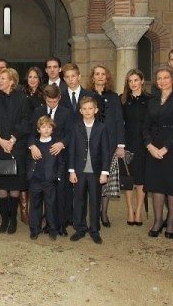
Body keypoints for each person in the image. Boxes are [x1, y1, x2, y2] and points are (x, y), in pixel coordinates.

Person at [142, 67, 173, 239]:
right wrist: (149, 145)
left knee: (172, 187)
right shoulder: (152, 101)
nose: (162, 81)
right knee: (156, 186)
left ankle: (170, 222)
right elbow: (145, 126)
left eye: (166, 77)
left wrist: (166, 148)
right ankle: (157, 221)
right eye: (159, 78)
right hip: (153, 148)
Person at [0, 68, 31, 234]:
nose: (0, 80)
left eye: (4, 78)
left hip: (16, 147)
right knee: (1, 185)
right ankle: (4, 219)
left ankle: (13, 220)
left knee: (14, 186)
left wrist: (12, 140)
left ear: (12, 81)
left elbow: (26, 121)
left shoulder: (22, 99)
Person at [29, 84, 72, 236]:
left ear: (59, 98)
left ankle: (58, 226)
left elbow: (69, 133)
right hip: (40, 160)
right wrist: (32, 145)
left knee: (58, 196)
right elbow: (30, 132)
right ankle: (38, 226)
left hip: (58, 158)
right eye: (49, 101)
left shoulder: (66, 113)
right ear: (44, 98)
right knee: (38, 199)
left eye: (54, 101)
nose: (52, 104)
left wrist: (62, 143)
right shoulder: (38, 111)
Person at [87, 64, 125, 228]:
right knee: (90, 179)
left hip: (109, 144)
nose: (100, 76)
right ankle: (92, 213)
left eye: (103, 74)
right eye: (97, 74)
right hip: (90, 143)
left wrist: (121, 145)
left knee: (105, 179)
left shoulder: (114, 96)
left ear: (107, 77)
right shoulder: (87, 95)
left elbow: (119, 121)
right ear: (92, 77)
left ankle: (104, 212)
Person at [68, 96, 111, 244]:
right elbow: (71, 149)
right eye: (84, 109)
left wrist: (105, 172)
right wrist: (71, 170)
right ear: (80, 111)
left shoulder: (102, 127)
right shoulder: (75, 127)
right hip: (79, 172)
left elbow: (106, 151)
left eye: (90, 108)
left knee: (94, 200)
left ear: (96, 110)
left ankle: (94, 229)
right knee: (79, 200)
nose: (87, 111)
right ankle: (80, 228)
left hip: (95, 172)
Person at [59, 63, 94, 225]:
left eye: (73, 76)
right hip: (65, 146)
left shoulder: (89, 95)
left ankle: (81, 218)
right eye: (67, 77)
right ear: (63, 79)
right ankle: (67, 217)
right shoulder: (60, 96)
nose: (70, 79)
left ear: (79, 76)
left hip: (84, 147)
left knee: (83, 185)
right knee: (66, 183)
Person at [120, 69, 151, 226]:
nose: (133, 83)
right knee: (128, 180)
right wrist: (121, 145)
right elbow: (120, 124)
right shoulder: (123, 100)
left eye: (135, 80)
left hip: (145, 145)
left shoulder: (150, 99)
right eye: (130, 81)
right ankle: (130, 210)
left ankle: (139, 211)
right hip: (128, 144)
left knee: (141, 180)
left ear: (142, 81)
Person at [27, 116, 63, 240]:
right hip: (35, 179)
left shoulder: (55, 145)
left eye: (49, 127)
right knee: (35, 205)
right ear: (38, 129)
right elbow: (28, 160)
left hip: (49, 180)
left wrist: (58, 176)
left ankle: (53, 229)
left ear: (52, 129)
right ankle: (35, 229)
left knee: (51, 205)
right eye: (43, 127)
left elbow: (60, 162)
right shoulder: (33, 145)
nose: (46, 129)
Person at [19, 66, 45, 223]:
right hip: (23, 138)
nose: (33, 80)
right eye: (30, 77)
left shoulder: (44, 95)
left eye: (36, 77)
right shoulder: (20, 93)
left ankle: (37, 210)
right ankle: (23, 209)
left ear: (40, 79)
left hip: (39, 138)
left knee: (38, 175)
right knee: (24, 175)